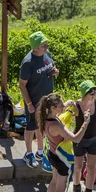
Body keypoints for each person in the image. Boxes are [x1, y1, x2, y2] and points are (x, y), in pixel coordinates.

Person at [37, 93, 91, 192]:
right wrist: (85, 122)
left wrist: (67, 105)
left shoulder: (46, 118)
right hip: (61, 160)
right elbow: (76, 138)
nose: (63, 107)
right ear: (54, 107)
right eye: (61, 106)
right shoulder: (56, 125)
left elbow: (62, 110)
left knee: (54, 182)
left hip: (53, 154)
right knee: (60, 189)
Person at [19, 31, 59, 169]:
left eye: (46, 44)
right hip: (34, 101)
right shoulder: (28, 63)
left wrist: (53, 72)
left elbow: (49, 69)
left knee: (42, 125)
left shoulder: (46, 54)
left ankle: (40, 152)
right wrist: (29, 104)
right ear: (35, 47)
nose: (46, 47)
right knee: (31, 127)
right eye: (43, 45)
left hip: (47, 101)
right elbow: (22, 85)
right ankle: (28, 153)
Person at [71, 80, 96, 192]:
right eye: (91, 91)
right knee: (78, 167)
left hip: (94, 139)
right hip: (79, 140)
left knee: (91, 168)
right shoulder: (76, 105)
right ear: (84, 93)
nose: (94, 94)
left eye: (95, 91)